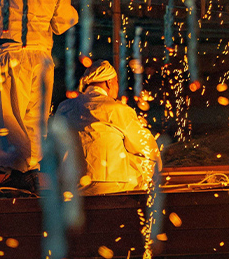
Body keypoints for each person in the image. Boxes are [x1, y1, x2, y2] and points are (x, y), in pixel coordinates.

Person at [0, 0, 78, 191]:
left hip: (11, 53)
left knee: (8, 115)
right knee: (34, 118)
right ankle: (34, 171)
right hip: (42, 58)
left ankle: (18, 172)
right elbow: (65, 23)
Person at [54, 60, 162, 195]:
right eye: (117, 82)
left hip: (71, 185)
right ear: (109, 82)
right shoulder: (117, 108)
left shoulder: (64, 107)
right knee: (148, 160)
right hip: (114, 184)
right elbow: (147, 147)